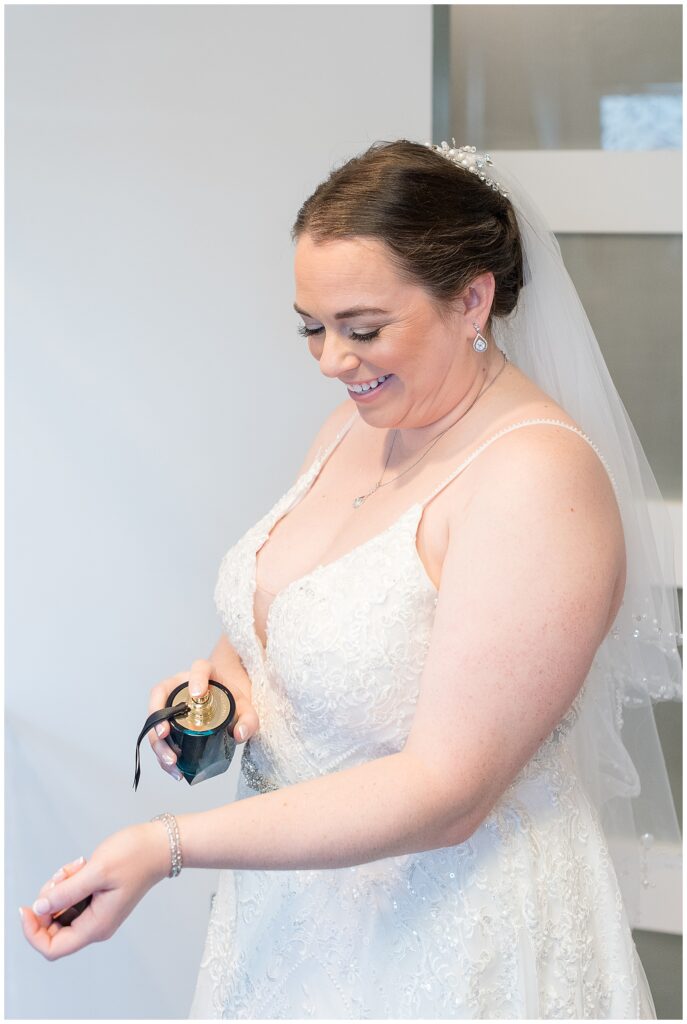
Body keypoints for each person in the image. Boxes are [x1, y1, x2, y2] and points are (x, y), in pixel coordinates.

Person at [20, 140, 681, 1020]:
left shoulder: (533, 481)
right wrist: (220, 683)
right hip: (297, 924)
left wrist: (166, 846)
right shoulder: (352, 429)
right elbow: (282, 614)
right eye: (311, 326)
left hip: (453, 940)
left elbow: (448, 793)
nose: (332, 360)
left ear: (472, 298)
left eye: (362, 329)